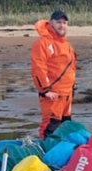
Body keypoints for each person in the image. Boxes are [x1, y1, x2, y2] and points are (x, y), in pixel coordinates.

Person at [31, 10, 77, 139]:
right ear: (51, 23)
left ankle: (61, 154)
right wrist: (45, 90)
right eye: (58, 22)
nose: (62, 25)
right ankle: (44, 151)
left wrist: (72, 88)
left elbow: (71, 68)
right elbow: (38, 68)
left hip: (66, 94)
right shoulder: (42, 43)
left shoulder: (66, 44)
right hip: (53, 94)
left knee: (66, 125)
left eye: (64, 22)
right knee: (50, 126)